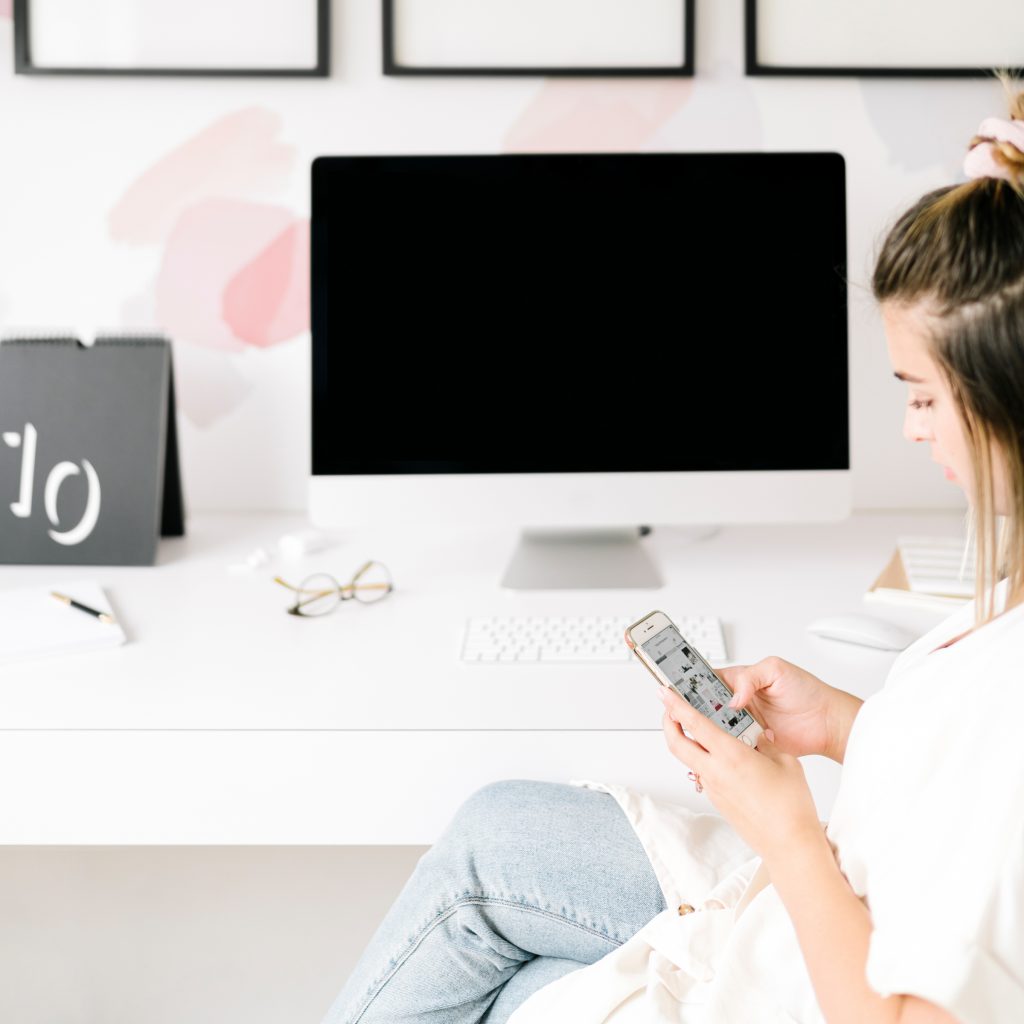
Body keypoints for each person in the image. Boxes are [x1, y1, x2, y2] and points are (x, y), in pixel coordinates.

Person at [321, 72, 1024, 1024]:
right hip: (814, 914)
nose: (910, 428)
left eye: (924, 394)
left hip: (819, 946)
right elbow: (964, 785)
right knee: (495, 850)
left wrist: (783, 828)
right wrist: (845, 723)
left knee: (497, 984)